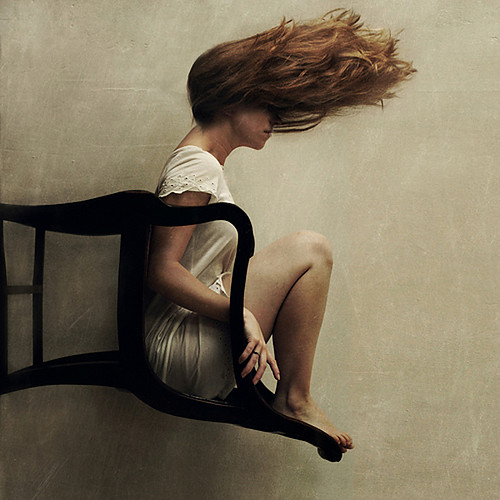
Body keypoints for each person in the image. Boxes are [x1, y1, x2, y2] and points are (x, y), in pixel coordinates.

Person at [145, 9, 415, 453]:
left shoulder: (202, 163)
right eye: (267, 105)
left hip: (185, 347)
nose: (275, 119)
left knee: (309, 250)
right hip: (175, 351)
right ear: (231, 101)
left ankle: (293, 395)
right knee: (312, 249)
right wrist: (240, 313)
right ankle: (294, 397)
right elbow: (161, 270)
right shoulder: (197, 163)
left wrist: (238, 310)